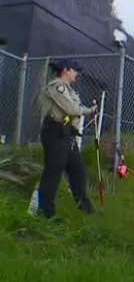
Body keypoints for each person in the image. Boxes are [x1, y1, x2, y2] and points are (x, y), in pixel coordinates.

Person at [37, 59, 98, 219]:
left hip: (67, 134)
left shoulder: (70, 90)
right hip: (55, 132)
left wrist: (90, 110)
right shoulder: (57, 87)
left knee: (77, 170)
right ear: (65, 70)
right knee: (53, 172)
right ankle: (45, 212)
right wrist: (86, 111)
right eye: (74, 70)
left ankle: (84, 207)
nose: (77, 73)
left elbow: (76, 108)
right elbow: (71, 109)